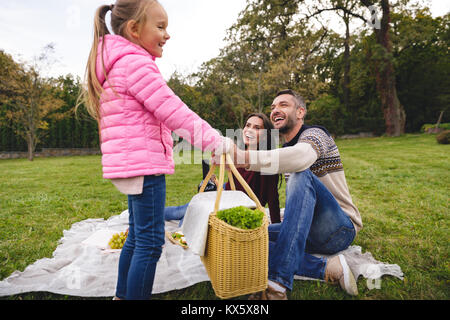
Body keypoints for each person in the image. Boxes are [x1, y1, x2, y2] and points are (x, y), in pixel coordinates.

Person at [81, 0, 230, 300]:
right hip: (145, 167)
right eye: (160, 27)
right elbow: (175, 112)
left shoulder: (116, 63)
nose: (167, 34)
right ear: (134, 29)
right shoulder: (135, 64)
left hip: (132, 165)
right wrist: (218, 142)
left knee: (137, 237)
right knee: (149, 243)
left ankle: (122, 295)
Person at [230, 89, 363, 299]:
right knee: (239, 239)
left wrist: (243, 157)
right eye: (273, 107)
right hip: (307, 231)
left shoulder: (315, 134)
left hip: (339, 228)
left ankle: (278, 284)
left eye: (283, 105)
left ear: (300, 112)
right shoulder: (286, 148)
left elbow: (301, 158)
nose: (275, 110)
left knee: (302, 172)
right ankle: (328, 268)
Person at [164, 113, 281, 225]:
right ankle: (150, 214)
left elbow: (272, 198)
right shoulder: (238, 153)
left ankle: (181, 235)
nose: (249, 130)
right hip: (225, 193)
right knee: (184, 210)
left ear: (266, 135)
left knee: (190, 213)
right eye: (248, 125)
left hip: (237, 203)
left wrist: (276, 228)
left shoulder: (266, 161)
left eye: (257, 128)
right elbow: (232, 183)